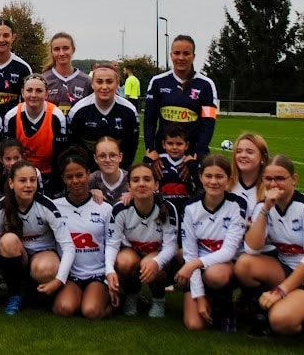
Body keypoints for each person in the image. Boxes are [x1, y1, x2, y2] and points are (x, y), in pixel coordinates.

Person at [235, 155, 304, 341]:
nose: (274, 184)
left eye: (280, 178)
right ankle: (260, 313)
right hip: (288, 270)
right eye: (268, 179)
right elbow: (252, 248)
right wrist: (265, 209)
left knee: (281, 320)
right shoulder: (264, 206)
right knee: (245, 264)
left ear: (294, 179)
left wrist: (280, 291)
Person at [0, 160, 75, 315]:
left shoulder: (47, 206)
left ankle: (33, 292)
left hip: (42, 257)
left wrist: (59, 280)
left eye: (32, 180)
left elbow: (68, 246)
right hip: (18, 257)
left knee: (44, 269)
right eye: (22, 181)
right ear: (11, 183)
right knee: (7, 240)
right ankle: (14, 295)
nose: (29, 185)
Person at [175, 154, 247, 331]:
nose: (213, 181)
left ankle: (226, 307)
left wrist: (193, 266)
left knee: (215, 275)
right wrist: (199, 299)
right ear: (200, 178)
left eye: (219, 176)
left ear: (228, 179)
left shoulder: (237, 204)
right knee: (194, 325)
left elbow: (229, 251)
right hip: (197, 268)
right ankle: (206, 299)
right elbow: (191, 255)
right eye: (208, 176)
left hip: (224, 266)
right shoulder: (191, 208)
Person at [105, 163, 180, 318]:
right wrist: (109, 270)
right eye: (136, 180)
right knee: (124, 263)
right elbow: (112, 243)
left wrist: (157, 262)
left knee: (152, 265)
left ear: (156, 184)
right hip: (132, 253)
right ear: (129, 186)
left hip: (155, 254)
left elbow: (171, 246)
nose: (141, 184)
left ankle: (158, 299)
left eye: (147, 179)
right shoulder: (120, 209)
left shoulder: (168, 209)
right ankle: (132, 296)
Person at [51, 150, 114, 320]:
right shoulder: (54, 207)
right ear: (64, 179)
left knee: (91, 312)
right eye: (69, 177)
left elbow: (113, 244)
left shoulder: (104, 208)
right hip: (71, 276)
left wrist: (110, 273)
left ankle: (115, 301)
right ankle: (79, 297)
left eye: (80, 175)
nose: (75, 181)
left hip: (97, 274)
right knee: (64, 308)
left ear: (88, 174)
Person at [144, 35, 219, 166]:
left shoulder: (206, 85)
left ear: (193, 56)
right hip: (162, 154)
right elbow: (149, 121)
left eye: (186, 53)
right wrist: (151, 150)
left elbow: (208, 123)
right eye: (177, 53)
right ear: (171, 55)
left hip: (193, 155)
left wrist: (197, 154)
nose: (181, 58)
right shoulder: (157, 82)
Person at [3, 73, 68, 192]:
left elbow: (61, 155)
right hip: (20, 173)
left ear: (46, 94)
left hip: (48, 173)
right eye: (29, 90)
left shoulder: (57, 116)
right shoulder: (11, 116)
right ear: (22, 93)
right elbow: (8, 154)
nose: (33, 95)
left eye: (39, 91)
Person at [67, 63, 139, 167]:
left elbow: (130, 147)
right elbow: (73, 147)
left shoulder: (129, 111)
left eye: (109, 82)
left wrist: (122, 172)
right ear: (92, 84)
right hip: (87, 173)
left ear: (117, 83)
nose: (104, 87)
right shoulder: (78, 111)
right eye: (99, 82)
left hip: (117, 172)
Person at [41, 32, 91, 112]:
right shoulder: (43, 80)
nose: (61, 53)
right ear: (51, 52)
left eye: (65, 48)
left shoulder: (86, 81)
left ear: (73, 50)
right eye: (57, 49)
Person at [157, 125, 199, 217]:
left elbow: (200, 185)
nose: (174, 147)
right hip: (163, 211)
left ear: (186, 145)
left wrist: (193, 166)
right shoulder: (158, 162)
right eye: (170, 143)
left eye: (179, 144)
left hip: (186, 212)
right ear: (164, 144)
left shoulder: (190, 162)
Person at [230, 132, 271, 214]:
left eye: (250, 152)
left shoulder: (270, 189)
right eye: (238, 151)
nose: (243, 155)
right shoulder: (225, 186)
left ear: (263, 157)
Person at [89, 135, 129, 206]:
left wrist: (136, 195)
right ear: (95, 158)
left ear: (120, 157)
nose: (107, 160)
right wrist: (88, 193)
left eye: (112, 155)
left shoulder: (131, 179)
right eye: (102, 156)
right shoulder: (90, 180)